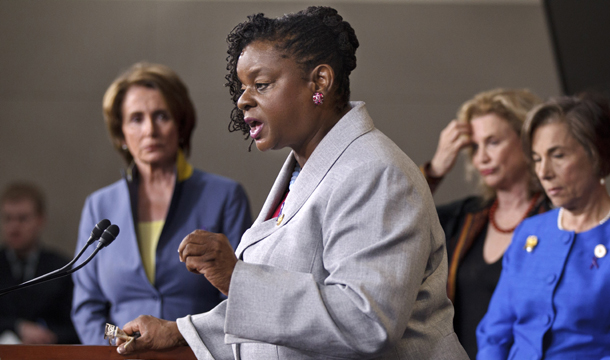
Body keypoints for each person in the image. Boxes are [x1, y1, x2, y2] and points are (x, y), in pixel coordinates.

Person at [116, 7, 468, 360]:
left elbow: (366, 320)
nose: (243, 99)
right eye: (242, 87)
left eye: (262, 84)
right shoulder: (307, 170)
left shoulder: (377, 173)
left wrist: (236, 279)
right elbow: (279, 317)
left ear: (319, 83)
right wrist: (178, 332)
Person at [71, 62, 252, 344]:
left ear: (181, 125)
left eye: (161, 116)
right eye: (136, 119)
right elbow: (86, 308)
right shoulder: (99, 205)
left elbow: (239, 298)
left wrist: (186, 341)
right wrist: (111, 344)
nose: (150, 130)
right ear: (121, 134)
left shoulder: (226, 197)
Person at [419, 88, 551, 358]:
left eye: (493, 142)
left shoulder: (557, 214)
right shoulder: (465, 217)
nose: (482, 157)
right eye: (475, 146)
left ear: (527, 140)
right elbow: (398, 219)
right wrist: (434, 171)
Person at [476, 94, 610, 359]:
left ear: (596, 155)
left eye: (557, 155)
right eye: (537, 159)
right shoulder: (530, 231)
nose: (544, 172)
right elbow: (496, 330)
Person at [0, 181, 79, 344]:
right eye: (8, 219)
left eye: (22, 219)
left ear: (40, 220)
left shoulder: (61, 269)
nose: (14, 227)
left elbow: (78, 324)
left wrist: (49, 336)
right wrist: (17, 327)